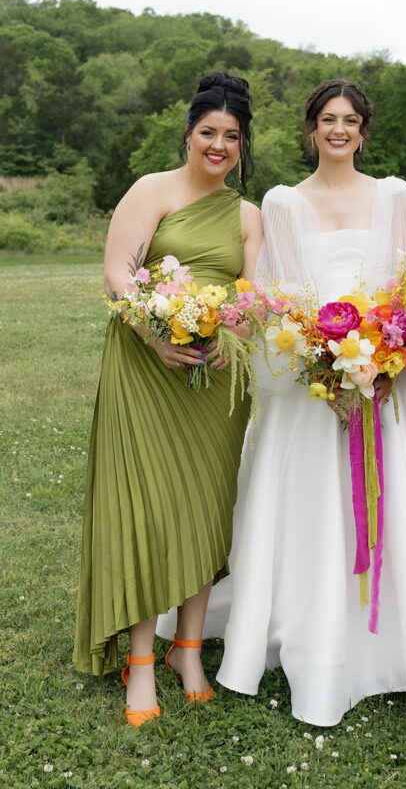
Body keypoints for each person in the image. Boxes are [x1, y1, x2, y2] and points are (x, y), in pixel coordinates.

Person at [211, 78, 406, 726]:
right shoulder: (281, 203)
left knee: (397, 503)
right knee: (310, 502)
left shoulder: (394, 195)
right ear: (309, 129)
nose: (338, 130)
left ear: (363, 130)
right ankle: (310, 628)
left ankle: (400, 644)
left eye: (349, 120)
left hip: (387, 376)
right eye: (327, 119)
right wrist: (319, 364)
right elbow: (276, 298)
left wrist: (382, 358)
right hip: (309, 383)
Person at [73, 72, 263, 726]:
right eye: (208, 132)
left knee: (204, 508)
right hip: (142, 363)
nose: (218, 145)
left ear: (242, 146)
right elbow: (117, 272)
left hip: (211, 379)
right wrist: (155, 334)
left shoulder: (248, 216)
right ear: (188, 134)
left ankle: (187, 649)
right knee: (144, 507)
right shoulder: (150, 190)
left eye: (231, 136)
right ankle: (140, 662)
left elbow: (250, 295)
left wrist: (230, 327)